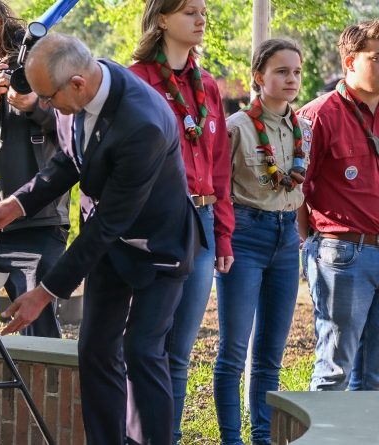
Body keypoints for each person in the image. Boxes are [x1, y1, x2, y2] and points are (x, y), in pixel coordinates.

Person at [0, 33, 203, 445]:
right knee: (95, 351)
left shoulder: (143, 124)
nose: (46, 107)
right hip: (110, 244)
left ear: (77, 85)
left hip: (158, 247)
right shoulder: (76, 86)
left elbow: (108, 224)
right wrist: (15, 205)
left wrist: (45, 292)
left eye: (47, 98)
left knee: (142, 351)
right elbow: (70, 158)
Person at [127, 1, 234, 442]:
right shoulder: (135, 81)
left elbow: (220, 165)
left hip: (203, 221)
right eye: (190, 10)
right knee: (145, 346)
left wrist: (223, 235)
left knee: (180, 353)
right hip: (157, 222)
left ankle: (163, 438)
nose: (201, 18)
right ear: (163, 18)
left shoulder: (207, 85)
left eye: (203, 11)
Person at [214, 38, 309, 445]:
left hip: (287, 239)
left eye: (297, 72)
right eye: (281, 71)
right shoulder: (236, 128)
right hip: (245, 235)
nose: (291, 79)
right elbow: (219, 192)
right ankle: (231, 439)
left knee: (270, 355)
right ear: (259, 77)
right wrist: (223, 242)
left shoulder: (302, 128)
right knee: (233, 352)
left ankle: (262, 439)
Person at [0, 0, 69, 338]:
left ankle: (44, 393)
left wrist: (35, 106)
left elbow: (74, 127)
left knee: (37, 330)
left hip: (36, 225)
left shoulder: (39, 63)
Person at [299, 19, 379, 392]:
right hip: (343, 253)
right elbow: (295, 189)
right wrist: (309, 244)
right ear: (350, 63)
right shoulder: (317, 115)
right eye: (377, 57)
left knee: (375, 377)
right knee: (334, 371)